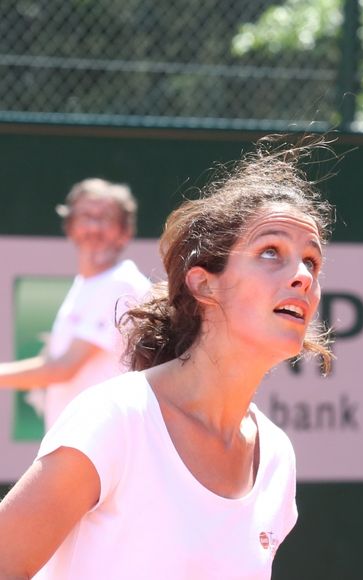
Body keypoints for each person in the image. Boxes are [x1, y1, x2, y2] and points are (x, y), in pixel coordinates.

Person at [0, 135, 335, 579]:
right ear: (204, 284)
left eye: (311, 261)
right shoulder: (116, 418)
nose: (301, 277)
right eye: (270, 252)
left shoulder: (276, 457)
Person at [0, 178, 151, 430]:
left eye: (105, 218)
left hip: (104, 438)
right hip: (81, 439)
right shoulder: (86, 285)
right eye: (85, 216)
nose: (93, 227)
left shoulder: (121, 284)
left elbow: (63, 368)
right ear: (70, 227)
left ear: (125, 233)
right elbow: (50, 364)